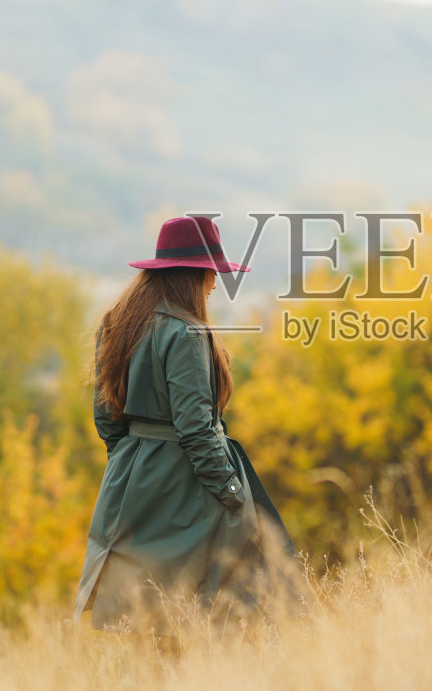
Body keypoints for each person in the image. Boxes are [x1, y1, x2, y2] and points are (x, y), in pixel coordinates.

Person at [73, 214, 302, 634]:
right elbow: (196, 429)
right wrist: (231, 492)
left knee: (146, 607)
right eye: (211, 273)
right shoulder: (188, 334)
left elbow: (105, 416)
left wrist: (132, 462)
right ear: (192, 275)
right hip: (188, 483)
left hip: (131, 479)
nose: (215, 284)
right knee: (222, 601)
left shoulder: (117, 323)